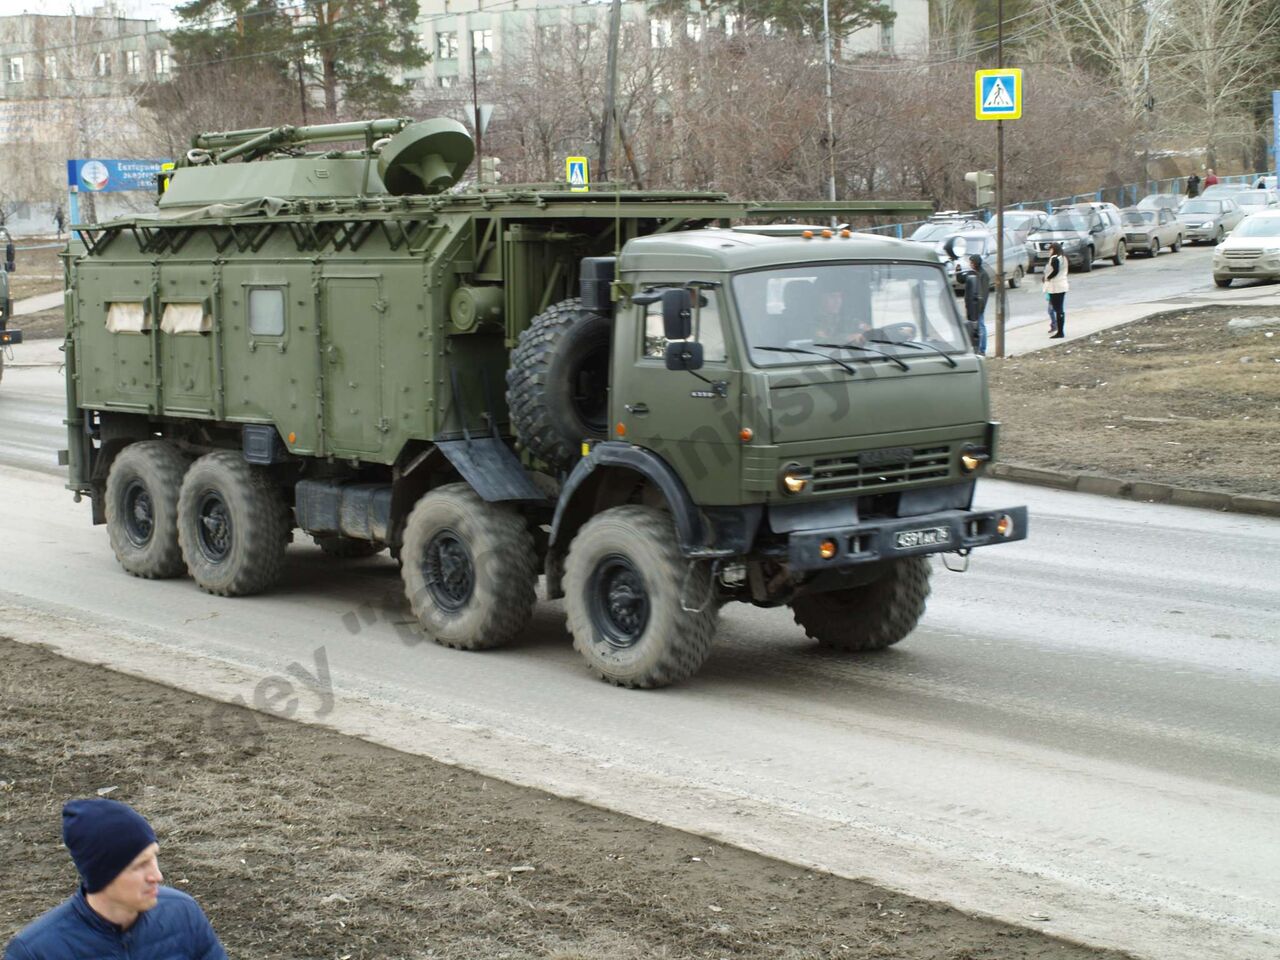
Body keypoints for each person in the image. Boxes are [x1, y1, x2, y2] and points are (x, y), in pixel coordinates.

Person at [4, 798, 227, 960]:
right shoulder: (35, 952)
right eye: (139, 866)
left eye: (154, 858)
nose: (157, 876)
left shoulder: (182, 913)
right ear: (103, 874)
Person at [962, 254, 990, 354]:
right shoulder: (972, 273)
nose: (970, 264)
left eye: (971, 262)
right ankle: (974, 348)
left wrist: (980, 307)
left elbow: (984, 293)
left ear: (976, 263)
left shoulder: (983, 275)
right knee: (971, 327)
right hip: (970, 305)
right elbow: (962, 280)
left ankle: (982, 349)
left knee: (980, 327)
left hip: (978, 306)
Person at [1042, 242, 1069, 339]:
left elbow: (1055, 270)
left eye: (1050, 249)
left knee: (1058, 309)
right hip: (1063, 285)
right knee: (1060, 309)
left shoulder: (1054, 258)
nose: (1049, 251)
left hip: (1055, 287)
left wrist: (1048, 277)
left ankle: (1060, 332)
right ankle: (1060, 330)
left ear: (1054, 250)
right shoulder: (1063, 258)